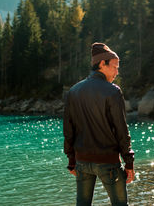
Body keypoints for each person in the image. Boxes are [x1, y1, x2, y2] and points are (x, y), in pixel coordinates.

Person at [63, 42, 135, 206]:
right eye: (115, 67)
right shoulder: (112, 91)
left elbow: (68, 130)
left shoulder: (73, 91)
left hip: (82, 162)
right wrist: (128, 162)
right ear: (102, 64)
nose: (117, 72)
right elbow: (121, 130)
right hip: (108, 162)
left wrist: (71, 160)